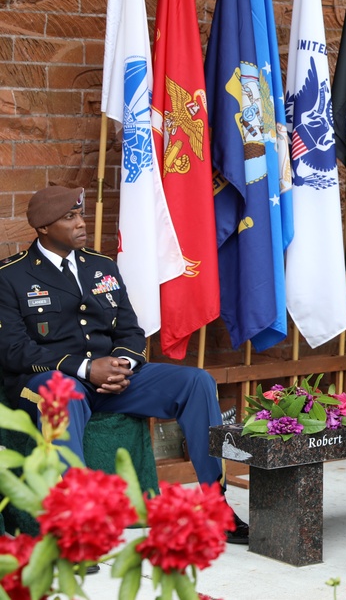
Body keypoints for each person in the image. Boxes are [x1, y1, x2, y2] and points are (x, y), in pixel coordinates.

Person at [0, 186, 249, 545]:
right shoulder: (12, 276)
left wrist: (122, 364)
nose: (80, 223)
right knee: (66, 395)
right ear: (42, 228)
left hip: (112, 380)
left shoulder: (101, 266)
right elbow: (14, 351)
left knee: (196, 382)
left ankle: (216, 506)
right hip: (49, 383)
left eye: (79, 215)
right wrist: (87, 369)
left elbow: (130, 330)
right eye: (69, 218)